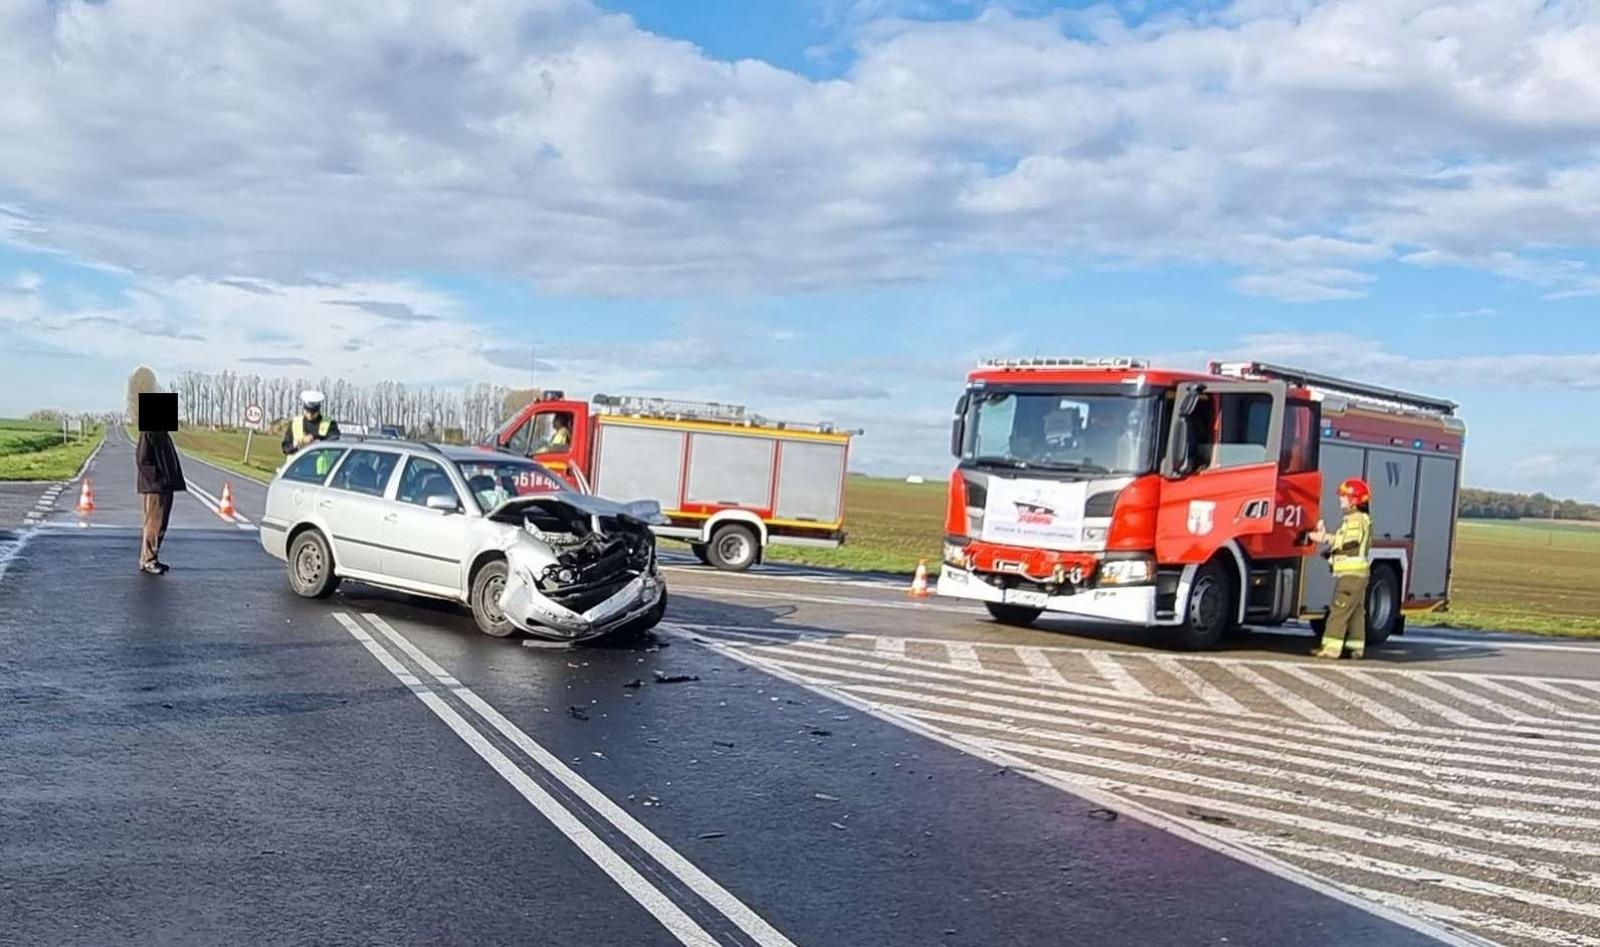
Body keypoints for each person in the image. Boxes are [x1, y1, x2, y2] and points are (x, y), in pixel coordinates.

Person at [1309, 478, 1373, 660]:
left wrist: (1320, 537)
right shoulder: (1362, 519)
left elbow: (1349, 542)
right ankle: (1356, 648)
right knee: (1356, 612)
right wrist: (1331, 553)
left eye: (1344, 496)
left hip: (1351, 575)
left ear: (1354, 500)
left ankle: (1331, 649)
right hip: (1359, 574)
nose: (1340, 499)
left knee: (1338, 611)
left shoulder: (1355, 519)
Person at [135, 428, 187, 575]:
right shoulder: (149, 432)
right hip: (156, 486)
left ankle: (152, 557)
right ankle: (148, 560)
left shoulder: (162, 433)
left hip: (164, 485)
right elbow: (142, 459)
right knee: (154, 523)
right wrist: (157, 480)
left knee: (160, 523)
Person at [282, 390, 341, 458]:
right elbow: (285, 447)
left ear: (318, 410)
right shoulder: (295, 422)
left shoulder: (329, 424)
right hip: (298, 467)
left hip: (321, 468)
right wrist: (294, 445)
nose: (310, 414)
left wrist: (314, 439)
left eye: (313, 412)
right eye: (307, 411)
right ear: (304, 409)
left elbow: (334, 439)